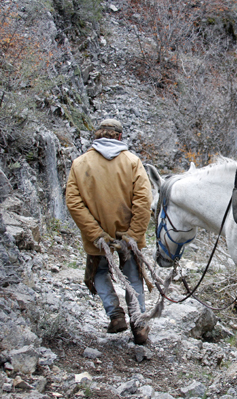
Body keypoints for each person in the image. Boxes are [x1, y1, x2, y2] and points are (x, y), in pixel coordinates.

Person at [66, 118, 153, 344]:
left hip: (98, 238)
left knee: (99, 273)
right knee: (133, 277)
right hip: (126, 234)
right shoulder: (133, 162)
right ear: (119, 137)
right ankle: (139, 326)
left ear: (97, 136)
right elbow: (143, 201)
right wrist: (132, 235)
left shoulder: (79, 163)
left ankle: (116, 316)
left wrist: (96, 234)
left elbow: (74, 203)